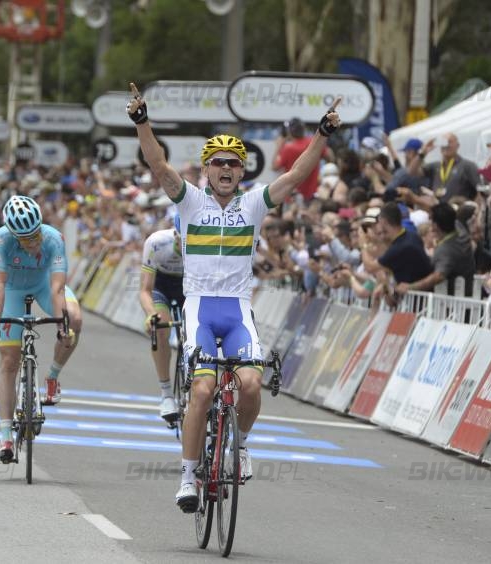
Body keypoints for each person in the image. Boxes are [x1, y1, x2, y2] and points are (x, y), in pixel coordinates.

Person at [127, 82, 341, 512]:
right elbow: (157, 163)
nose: (226, 168)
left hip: (238, 309)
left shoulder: (255, 205)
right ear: (206, 169)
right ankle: (188, 477)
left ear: (242, 171)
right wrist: (142, 122)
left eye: (234, 163)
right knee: (203, 392)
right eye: (218, 162)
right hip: (200, 308)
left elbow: (297, 174)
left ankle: (237, 444)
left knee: (250, 384)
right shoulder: (188, 202)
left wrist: (322, 133)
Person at [0, 195, 82, 463]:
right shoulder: (1, 239)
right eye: (25, 239)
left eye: (35, 233)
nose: (33, 242)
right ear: (13, 234)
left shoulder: (53, 238)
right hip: (13, 289)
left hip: (45, 284)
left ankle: (52, 377)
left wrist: (63, 325)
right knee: (9, 362)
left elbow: (58, 287)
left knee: (74, 318)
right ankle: (5, 437)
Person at [139, 215, 185, 424]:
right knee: (160, 328)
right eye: (183, 241)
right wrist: (151, 314)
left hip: (188, 286)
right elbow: (145, 290)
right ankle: (167, 394)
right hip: (161, 286)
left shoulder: (205, 246)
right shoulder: (156, 242)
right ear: (176, 235)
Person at [395, 202, 475, 296]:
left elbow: (438, 276)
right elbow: (445, 213)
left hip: (451, 304)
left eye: (431, 221)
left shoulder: (445, 250)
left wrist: (410, 287)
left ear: (435, 226)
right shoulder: (461, 231)